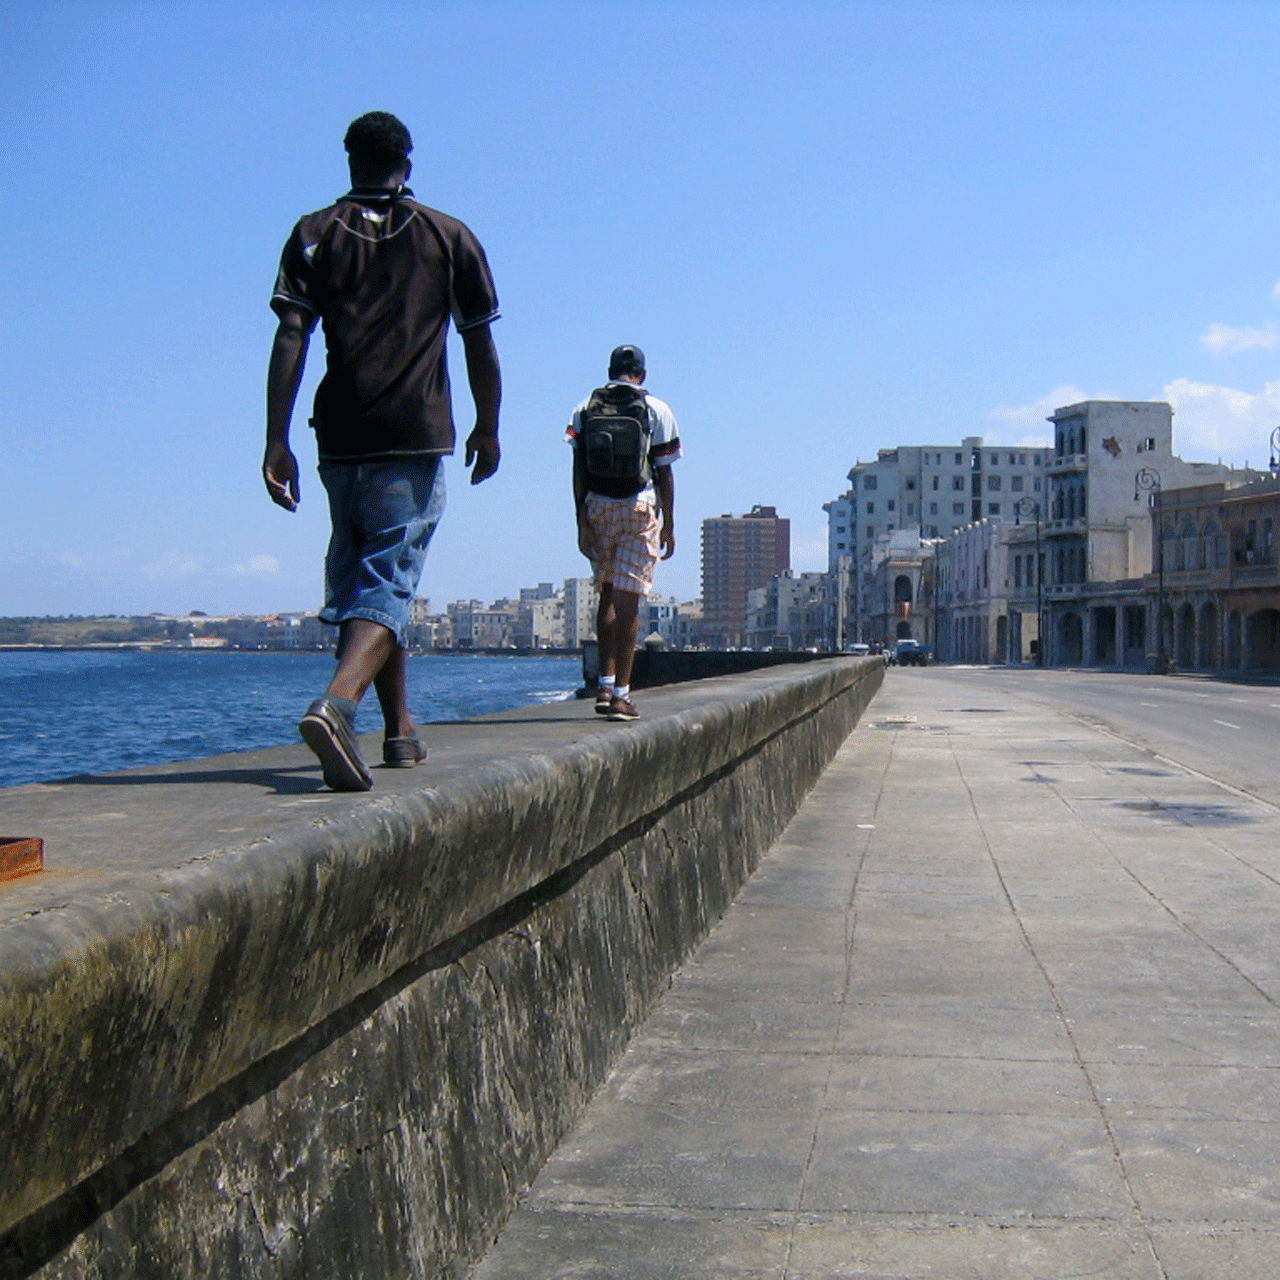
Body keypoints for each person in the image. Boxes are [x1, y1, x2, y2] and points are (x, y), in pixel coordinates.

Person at [263, 111, 501, 790]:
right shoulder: (448, 236)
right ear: (409, 162)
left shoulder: (313, 235)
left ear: (349, 161)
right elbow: (479, 341)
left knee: (368, 581)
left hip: (339, 436)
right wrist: (488, 425)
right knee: (388, 582)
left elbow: (290, 338)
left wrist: (276, 439)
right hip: (414, 430)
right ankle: (338, 706)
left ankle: (398, 732)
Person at [567, 345, 680, 721]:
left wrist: (581, 520)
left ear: (610, 370)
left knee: (607, 595)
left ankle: (602, 683)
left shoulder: (584, 408)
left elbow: (578, 470)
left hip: (597, 507)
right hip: (638, 506)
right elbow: (664, 471)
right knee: (630, 600)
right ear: (641, 375)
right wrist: (669, 523)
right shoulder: (656, 410)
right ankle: (621, 695)